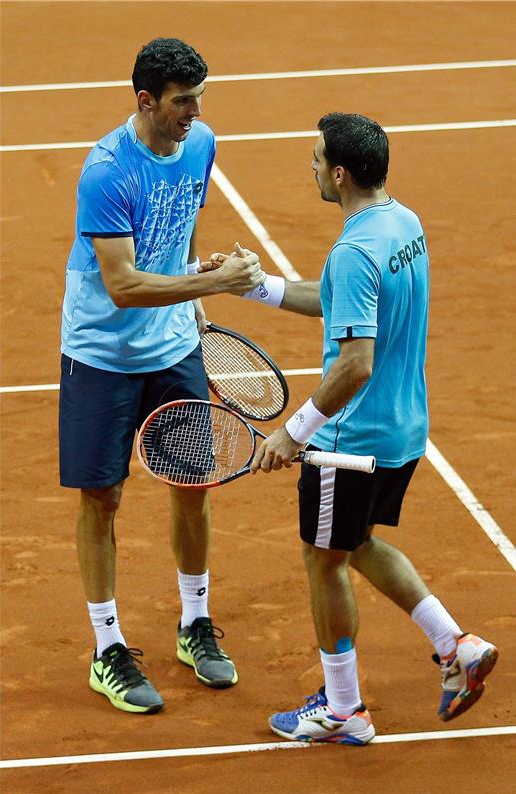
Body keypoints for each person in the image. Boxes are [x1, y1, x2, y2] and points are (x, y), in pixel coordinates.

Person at [211, 112, 499, 743]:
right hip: (403, 431)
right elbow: (343, 299)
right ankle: (457, 645)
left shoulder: (352, 250)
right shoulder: (402, 222)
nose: (311, 167)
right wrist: (256, 288)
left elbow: (355, 363)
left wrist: (296, 431)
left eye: (316, 158)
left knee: (324, 561)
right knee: (357, 544)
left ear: (339, 173)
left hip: (350, 444)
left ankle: (345, 711)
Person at [59, 37, 265, 714]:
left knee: (191, 485)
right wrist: (221, 283)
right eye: (181, 101)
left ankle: (193, 624)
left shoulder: (200, 143)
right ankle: (107, 648)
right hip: (103, 354)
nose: (194, 112)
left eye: (199, 98)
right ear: (145, 101)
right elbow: (120, 283)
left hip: (173, 345)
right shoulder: (108, 171)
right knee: (103, 500)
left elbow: (172, 242)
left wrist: (200, 294)